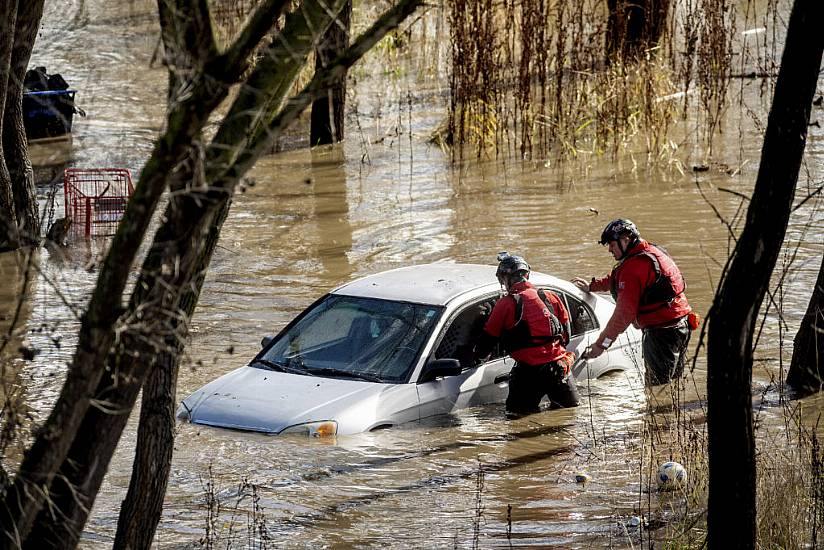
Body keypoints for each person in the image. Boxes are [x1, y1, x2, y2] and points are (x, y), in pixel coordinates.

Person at [572, 219, 695, 386]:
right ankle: (674, 411)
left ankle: (659, 412)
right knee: (673, 384)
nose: (609, 249)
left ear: (626, 240)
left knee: (656, 388)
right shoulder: (652, 252)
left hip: (661, 333)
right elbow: (619, 278)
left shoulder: (634, 267)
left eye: (612, 244)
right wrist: (592, 286)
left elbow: (623, 315)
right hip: (682, 325)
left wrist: (601, 345)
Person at [475, 252, 580, 415]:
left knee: (517, 421)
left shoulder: (506, 304)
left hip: (528, 375)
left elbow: (487, 341)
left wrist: (475, 357)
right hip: (559, 368)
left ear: (506, 279)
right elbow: (566, 335)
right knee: (569, 418)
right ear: (527, 275)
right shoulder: (551, 297)